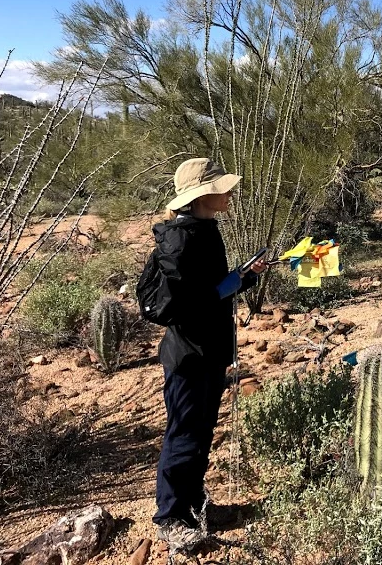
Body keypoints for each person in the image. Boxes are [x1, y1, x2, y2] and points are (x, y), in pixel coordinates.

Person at [151, 157, 268, 550]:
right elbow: (195, 300)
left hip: (206, 350)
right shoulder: (184, 239)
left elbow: (212, 289)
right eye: (222, 187)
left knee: (200, 433)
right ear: (203, 195)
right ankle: (170, 518)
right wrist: (227, 285)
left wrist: (244, 277)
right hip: (189, 356)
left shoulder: (203, 230)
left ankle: (195, 506)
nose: (230, 192)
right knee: (184, 434)